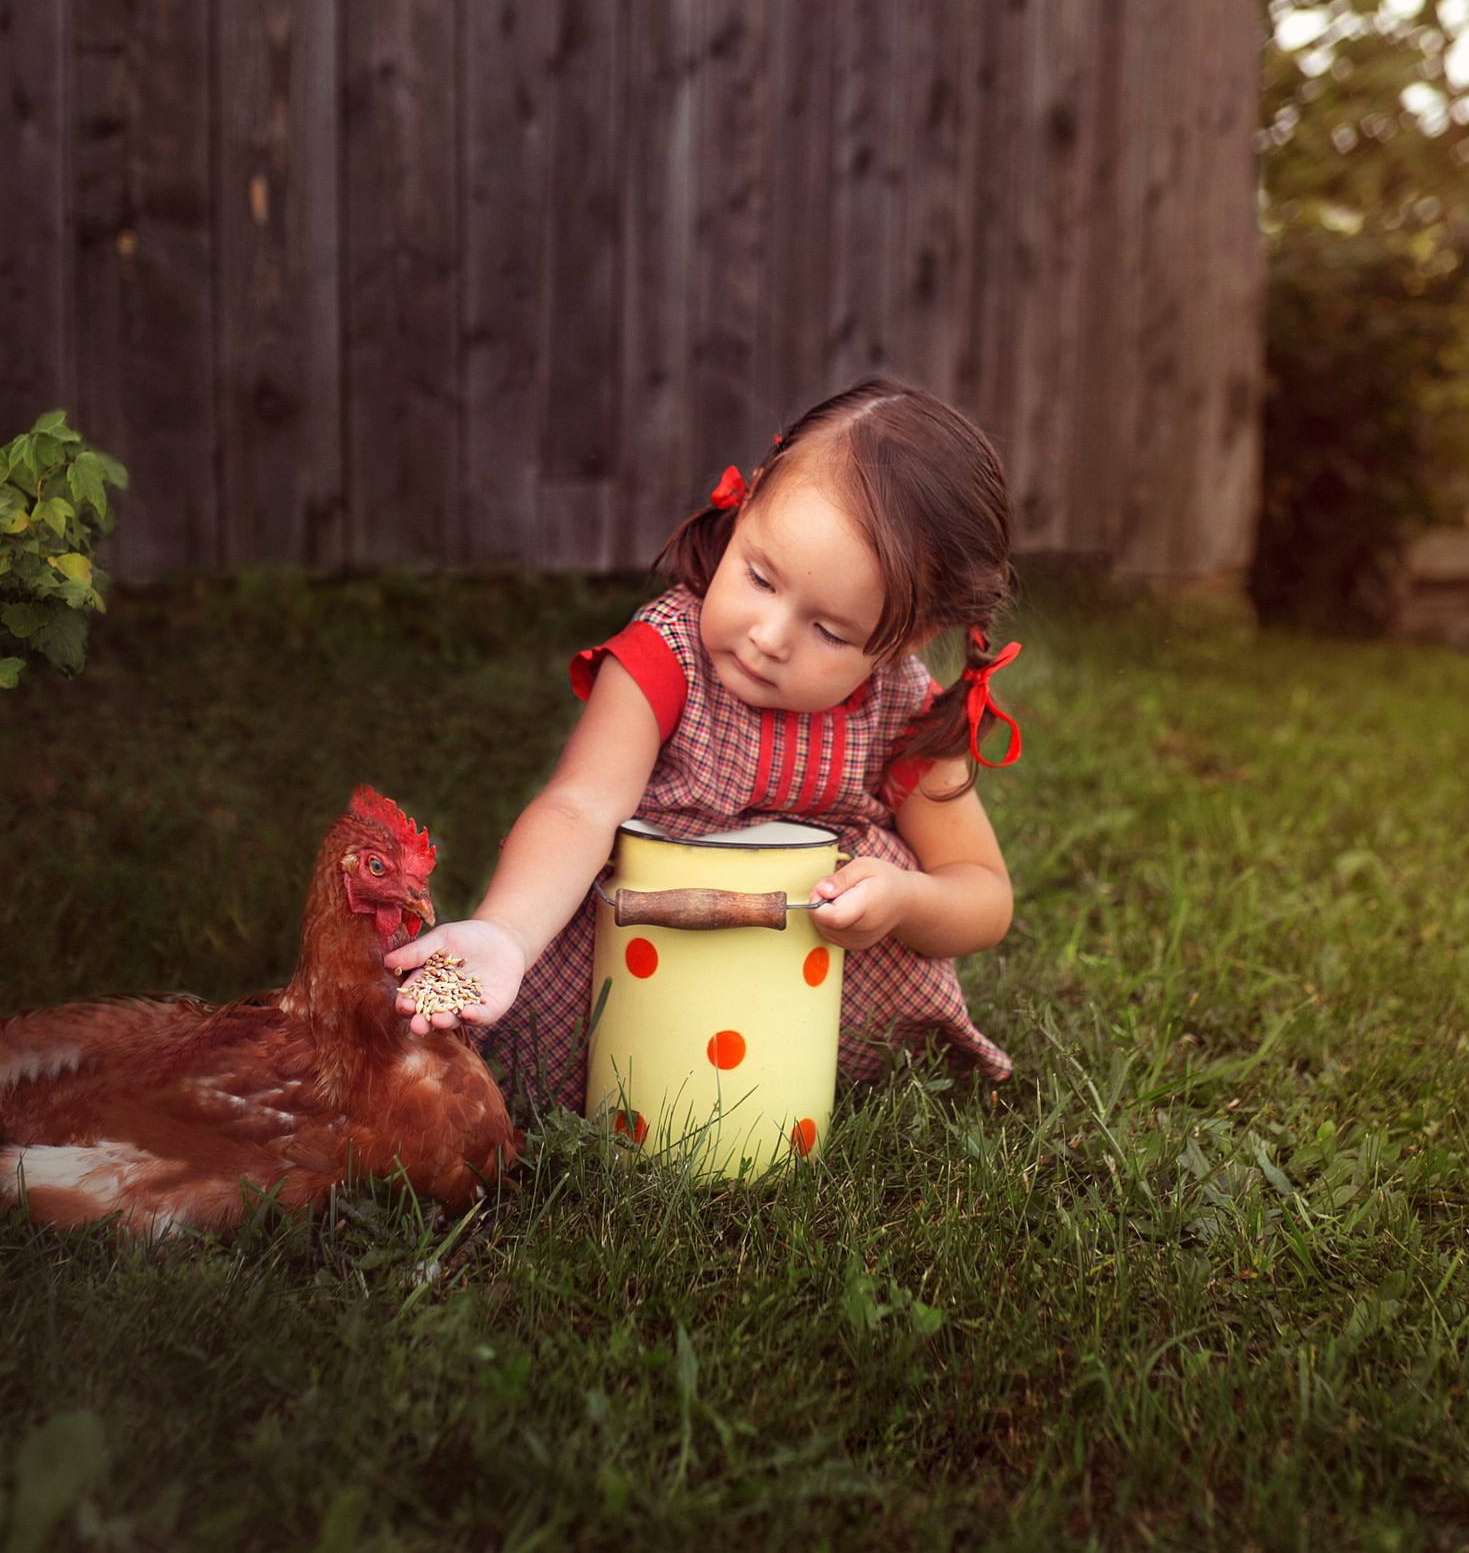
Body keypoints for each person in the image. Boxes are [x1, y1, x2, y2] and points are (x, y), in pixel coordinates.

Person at [384, 377, 1023, 1112]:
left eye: (829, 630)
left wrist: (906, 899)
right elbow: (580, 806)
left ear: (906, 638)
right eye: (758, 576)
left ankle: (813, 1079)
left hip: (817, 996)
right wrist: (505, 931)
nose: (768, 635)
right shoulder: (668, 656)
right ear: (747, 503)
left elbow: (984, 893)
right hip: (645, 962)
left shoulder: (905, 710)